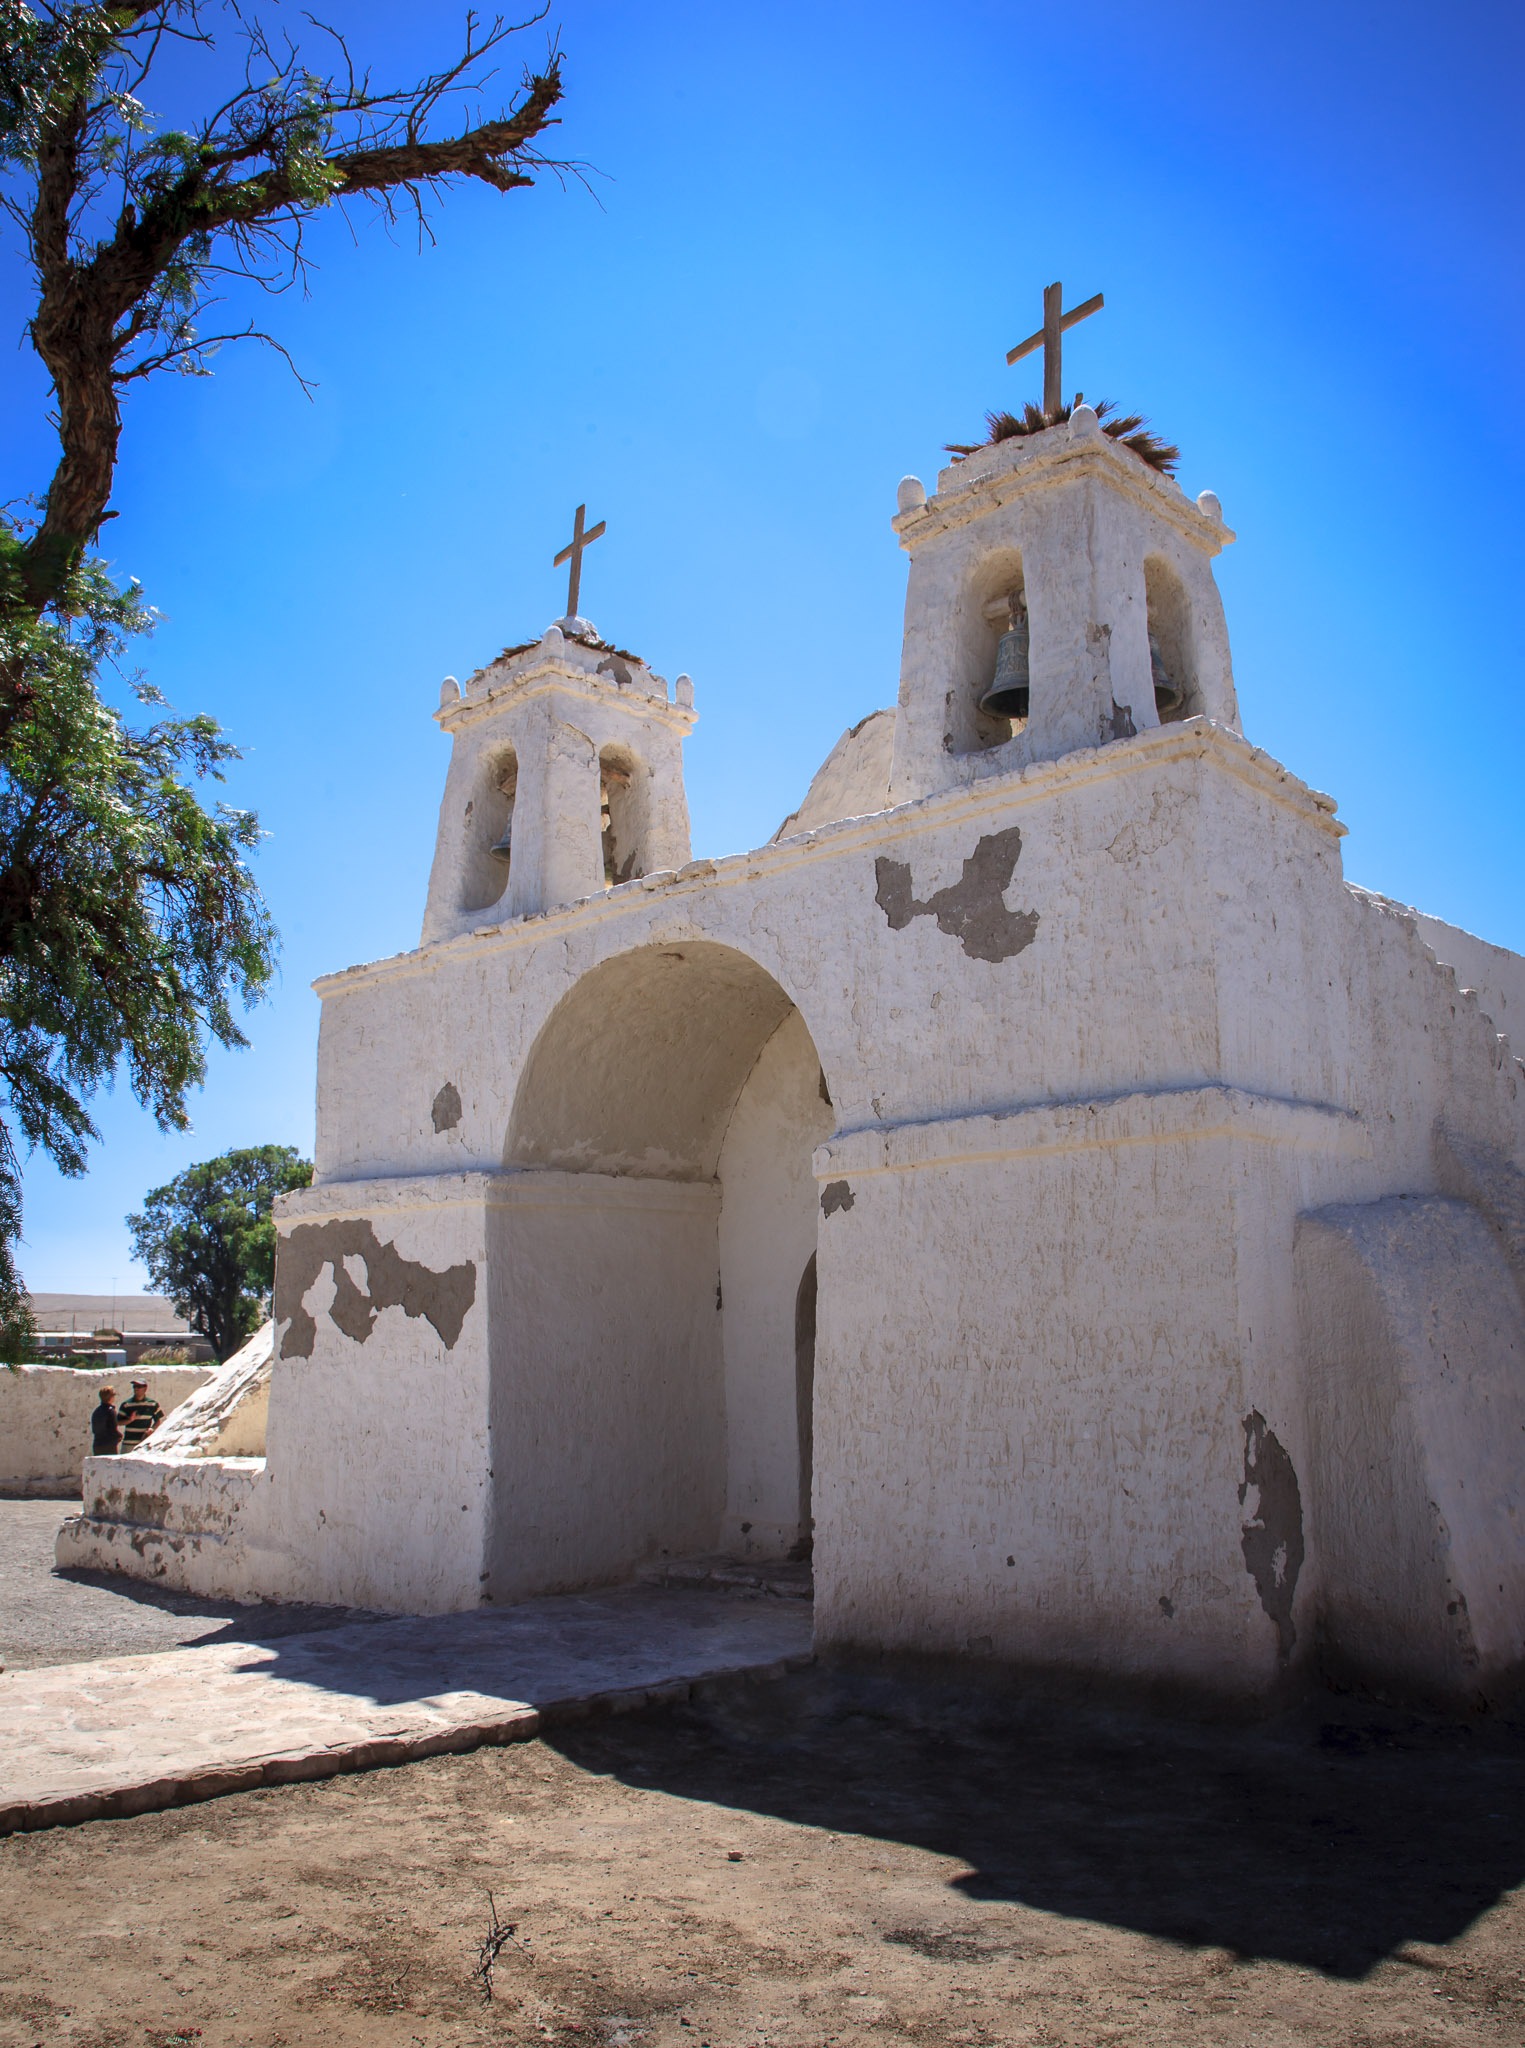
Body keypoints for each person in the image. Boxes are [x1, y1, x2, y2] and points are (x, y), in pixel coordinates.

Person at [117, 1378, 165, 1451]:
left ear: (145, 1388)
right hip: (129, 1443)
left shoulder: (153, 1404)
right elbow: (118, 1422)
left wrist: (152, 1429)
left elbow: (158, 1420)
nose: (136, 1389)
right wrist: (130, 1420)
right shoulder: (126, 1404)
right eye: (134, 1386)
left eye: (139, 1386)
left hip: (144, 1443)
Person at [90, 1386, 122, 1455]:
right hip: (109, 1444)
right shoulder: (110, 1411)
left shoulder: (97, 1411)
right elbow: (113, 1428)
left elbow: (95, 1429)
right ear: (111, 1397)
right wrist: (119, 1436)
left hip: (97, 1444)